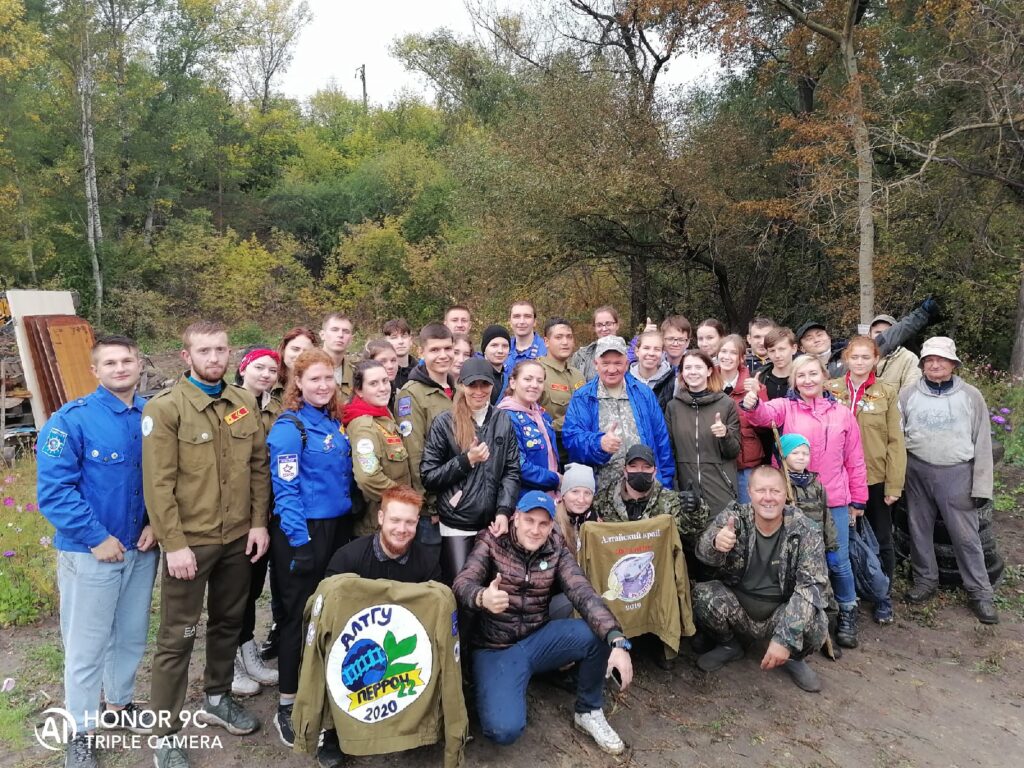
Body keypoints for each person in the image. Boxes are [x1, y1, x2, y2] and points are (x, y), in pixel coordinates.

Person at [142, 321, 270, 768]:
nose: (214, 358)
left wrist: (258, 524)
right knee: (178, 637)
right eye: (205, 351)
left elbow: (258, 466)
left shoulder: (242, 402)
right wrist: (173, 544)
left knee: (227, 624)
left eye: (221, 350)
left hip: (237, 540)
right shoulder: (166, 408)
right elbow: (158, 485)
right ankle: (165, 733)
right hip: (190, 546)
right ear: (186, 357)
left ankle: (216, 698)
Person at [37, 336, 159, 768]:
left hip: (141, 549)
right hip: (91, 553)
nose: (121, 368)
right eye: (111, 362)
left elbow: (165, 481)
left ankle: (120, 704)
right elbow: (54, 492)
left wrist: (154, 525)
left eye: (127, 359)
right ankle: (82, 730)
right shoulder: (71, 421)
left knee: (129, 635)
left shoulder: (153, 415)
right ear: (95, 370)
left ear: (139, 363)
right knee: (87, 646)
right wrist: (95, 536)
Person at [452, 491, 634, 754]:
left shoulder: (555, 546)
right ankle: (505, 685)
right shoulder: (492, 540)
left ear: (551, 525)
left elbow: (582, 591)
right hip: (496, 647)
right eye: (529, 520)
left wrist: (616, 638)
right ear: (515, 518)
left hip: (538, 640)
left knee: (597, 632)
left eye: (543, 523)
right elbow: (461, 584)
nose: (535, 530)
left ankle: (589, 711)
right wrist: (482, 597)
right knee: (504, 730)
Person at [741, 354, 867, 649]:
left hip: (832, 498)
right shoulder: (786, 408)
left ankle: (847, 610)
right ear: (793, 381)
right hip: (795, 499)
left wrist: (858, 499)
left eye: (813, 374)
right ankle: (800, 614)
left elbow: (855, 458)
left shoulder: (842, 414)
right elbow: (761, 415)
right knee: (794, 560)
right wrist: (753, 403)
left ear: (824, 375)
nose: (808, 381)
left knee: (837, 560)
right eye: (801, 376)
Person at [267, 348, 355, 749]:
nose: (323, 385)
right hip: (302, 534)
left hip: (337, 530)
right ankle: (287, 701)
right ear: (297, 383)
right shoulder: (291, 428)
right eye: (314, 379)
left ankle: (323, 687)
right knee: (297, 617)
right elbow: (285, 491)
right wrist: (300, 544)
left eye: (328, 378)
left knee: (329, 613)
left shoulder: (332, 423)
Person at [692, 466, 829, 693]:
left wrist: (786, 639)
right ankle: (729, 644)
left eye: (775, 491)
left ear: (785, 493)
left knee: (817, 622)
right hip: (738, 609)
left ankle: (794, 658)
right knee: (702, 595)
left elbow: (812, 587)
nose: (768, 498)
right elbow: (702, 553)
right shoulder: (734, 517)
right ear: (750, 492)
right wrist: (715, 543)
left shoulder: (805, 529)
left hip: (780, 613)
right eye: (761, 491)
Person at [899, 337, 998, 624]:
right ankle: (925, 581)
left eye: (941, 359)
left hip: (956, 473)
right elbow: (897, 436)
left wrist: (982, 485)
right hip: (916, 471)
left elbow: (982, 443)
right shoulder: (907, 395)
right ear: (922, 364)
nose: (935, 364)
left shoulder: (971, 396)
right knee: (919, 530)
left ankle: (981, 592)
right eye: (929, 360)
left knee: (965, 537)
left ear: (953, 364)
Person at [824, 336, 905, 624]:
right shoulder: (830, 389)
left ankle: (883, 596)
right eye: (854, 357)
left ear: (876, 359)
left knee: (882, 538)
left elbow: (896, 441)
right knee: (843, 541)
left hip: (874, 478)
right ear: (846, 359)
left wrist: (894, 484)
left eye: (865, 357)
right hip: (837, 480)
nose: (859, 362)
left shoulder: (887, 392)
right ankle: (850, 592)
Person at [421, 357, 521, 584]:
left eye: (484, 384)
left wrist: (504, 511)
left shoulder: (502, 420)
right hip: (457, 523)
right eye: (472, 385)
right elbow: (429, 476)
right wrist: (466, 461)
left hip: (492, 525)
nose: (479, 391)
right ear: (461, 385)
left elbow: (511, 471)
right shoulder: (444, 422)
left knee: (492, 590)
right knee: (462, 590)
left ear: (492, 386)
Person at [232, 348, 283, 696]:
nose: (266, 374)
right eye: (259, 367)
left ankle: (248, 650)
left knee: (252, 588)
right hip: (236, 513)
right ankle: (228, 662)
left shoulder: (274, 408)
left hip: (265, 512)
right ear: (243, 369)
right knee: (232, 593)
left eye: (272, 370)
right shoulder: (229, 406)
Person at [563, 335, 675, 492]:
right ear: (596, 364)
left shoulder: (643, 393)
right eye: (606, 363)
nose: (612, 369)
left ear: (627, 363)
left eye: (618, 363)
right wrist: (599, 443)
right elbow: (571, 439)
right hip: (601, 492)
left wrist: (665, 485)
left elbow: (661, 441)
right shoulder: (583, 397)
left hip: (644, 490)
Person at [396, 323, 456, 544]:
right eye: (434, 350)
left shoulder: (457, 389)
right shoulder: (411, 395)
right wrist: (430, 505)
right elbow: (415, 456)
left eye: (447, 349)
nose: (443, 355)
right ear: (421, 352)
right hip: (432, 509)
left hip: (460, 500)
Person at [666, 350, 741, 517]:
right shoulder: (673, 407)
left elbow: (734, 451)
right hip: (687, 491)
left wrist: (725, 434)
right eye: (688, 367)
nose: (693, 372)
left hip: (720, 489)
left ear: (708, 371)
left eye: (698, 367)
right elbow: (669, 450)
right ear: (682, 373)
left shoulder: (726, 404)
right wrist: (676, 486)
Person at [592, 445, 708, 554]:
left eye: (646, 467)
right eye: (633, 467)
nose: (639, 471)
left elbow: (692, 527)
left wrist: (695, 508)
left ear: (654, 471)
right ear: (625, 470)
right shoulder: (603, 501)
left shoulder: (669, 500)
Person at [342, 359, 413, 537]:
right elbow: (368, 477)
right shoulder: (363, 425)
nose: (383, 388)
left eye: (384, 381)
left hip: (394, 521)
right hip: (378, 526)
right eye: (373, 383)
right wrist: (404, 498)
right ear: (359, 390)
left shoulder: (383, 414)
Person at [796, 297, 942, 379]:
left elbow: (890, 336)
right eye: (809, 338)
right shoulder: (796, 367)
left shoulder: (851, 354)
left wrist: (921, 314)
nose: (816, 339)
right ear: (800, 347)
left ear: (829, 336)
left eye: (819, 334)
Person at [325, 485, 442, 582]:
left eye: (410, 522)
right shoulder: (347, 558)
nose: (402, 529)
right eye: (395, 520)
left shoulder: (428, 564)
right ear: (381, 517)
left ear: (417, 521)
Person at [498, 360, 560, 497]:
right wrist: (555, 479)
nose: (534, 385)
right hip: (523, 499)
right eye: (527, 379)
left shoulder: (541, 415)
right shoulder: (505, 418)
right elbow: (517, 465)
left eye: (539, 381)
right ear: (513, 382)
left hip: (547, 494)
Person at [717, 335, 765, 503]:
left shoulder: (754, 386)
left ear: (741, 358)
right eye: (723, 351)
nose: (726, 356)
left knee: (747, 512)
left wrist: (756, 401)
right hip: (716, 463)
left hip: (745, 465)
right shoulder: (706, 384)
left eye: (733, 352)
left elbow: (765, 425)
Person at [537, 317, 584, 464]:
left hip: (578, 452)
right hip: (549, 452)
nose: (565, 342)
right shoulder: (536, 371)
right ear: (546, 341)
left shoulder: (578, 375)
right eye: (559, 337)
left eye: (569, 337)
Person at [554, 463, 599, 556]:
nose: (581, 499)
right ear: (563, 494)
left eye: (587, 493)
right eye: (575, 492)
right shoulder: (552, 524)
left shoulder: (594, 520)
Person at [869, 313, 921, 392]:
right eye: (878, 332)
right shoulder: (860, 357)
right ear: (869, 334)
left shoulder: (908, 358)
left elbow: (911, 393)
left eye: (888, 332)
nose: (883, 336)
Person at [571, 305, 620, 381]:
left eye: (608, 324)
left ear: (617, 325)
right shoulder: (581, 356)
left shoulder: (629, 355)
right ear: (594, 328)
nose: (604, 329)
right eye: (599, 325)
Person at [630, 330, 675, 405]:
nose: (651, 353)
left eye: (657, 349)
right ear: (637, 351)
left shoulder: (672, 382)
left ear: (662, 353)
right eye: (646, 348)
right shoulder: (625, 381)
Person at [321, 312, 356, 400]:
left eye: (346, 331)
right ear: (322, 335)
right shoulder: (307, 368)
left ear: (351, 339)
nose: (340, 335)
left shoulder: (357, 373)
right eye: (334, 330)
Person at [507, 299, 547, 371]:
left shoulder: (546, 350)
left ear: (534, 322)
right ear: (510, 322)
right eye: (517, 316)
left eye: (527, 316)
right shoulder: (502, 349)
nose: (522, 321)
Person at [759, 326, 799, 400]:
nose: (777, 355)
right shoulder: (759, 377)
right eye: (772, 351)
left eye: (782, 349)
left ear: (794, 349)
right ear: (767, 352)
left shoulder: (803, 378)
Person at [363, 339, 400, 412]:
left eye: (393, 360)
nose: (390, 366)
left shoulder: (398, 393)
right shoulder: (364, 400)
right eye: (383, 361)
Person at [277, 326, 317, 391]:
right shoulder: (267, 380)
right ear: (283, 350)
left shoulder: (320, 387)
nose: (299, 355)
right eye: (295, 349)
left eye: (306, 352)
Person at [480, 323, 512, 404]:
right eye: (494, 345)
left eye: (505, 346)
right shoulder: (478, 378)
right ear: (484, 349)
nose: (500, 350)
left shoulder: (508, 379)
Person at [383, 317, 414, 391]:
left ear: (411, 340)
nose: (400, 341)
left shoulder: (422, 370)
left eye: (404, 336)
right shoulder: (381, 372)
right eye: (394, 337)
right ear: (385, 341)